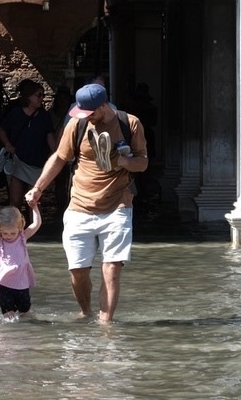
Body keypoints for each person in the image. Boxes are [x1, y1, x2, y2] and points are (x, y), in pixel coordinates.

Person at [24, 83, 148, 323]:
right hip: (80, 204)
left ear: (103, 106)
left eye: (89, 112)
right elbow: (59, 158)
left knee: (111, 269)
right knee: (78, 271)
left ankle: (105, 325)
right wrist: (38, 188)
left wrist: (121, 161)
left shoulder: (129, 123)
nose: (85, 116)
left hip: (118, 204)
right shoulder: (77, 125)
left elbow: (142, 163)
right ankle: (86, 312)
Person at [0, 79, 55, 214]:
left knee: (34, 202)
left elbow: (51, 139)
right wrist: (8, 145)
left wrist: (56, 158)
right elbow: (1, 131)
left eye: (43, 95)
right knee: (15, 200)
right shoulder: (16, 113)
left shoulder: (44, 117)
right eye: (38, 95)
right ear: (29, 96)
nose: (41, 98)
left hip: (37, 165)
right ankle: (14, 226)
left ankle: (35, 226)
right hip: (18, 162)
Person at [0, 203, 41, 319]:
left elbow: (36, 224)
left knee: (25, 313)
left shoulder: (23, 237)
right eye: (5, 233)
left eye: (13, 233)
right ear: (0, 230)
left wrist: (34, 207)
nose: (9, 236)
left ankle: (28, 329)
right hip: (5, 284)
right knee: (8, 315)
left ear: (19, 228)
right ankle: (9, 330)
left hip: (22, 284)